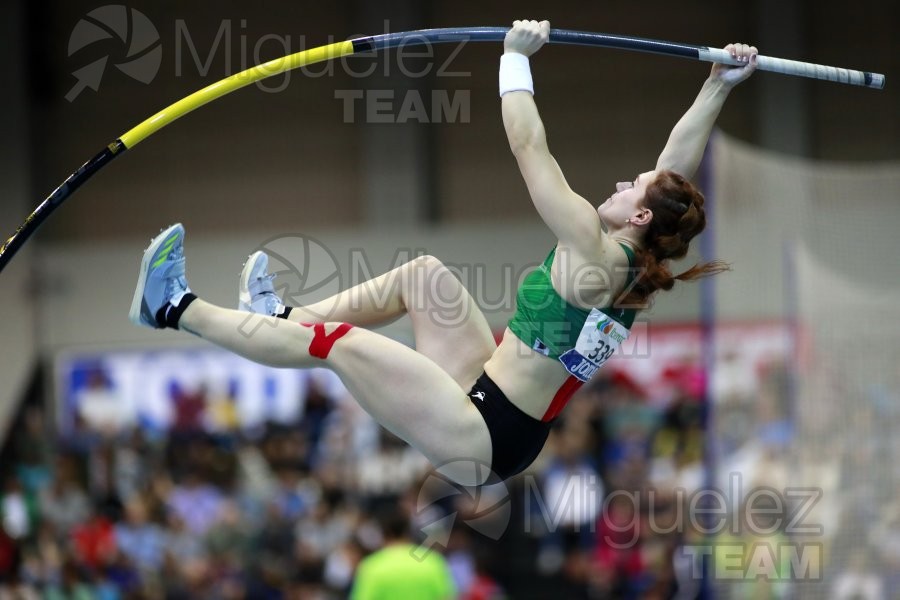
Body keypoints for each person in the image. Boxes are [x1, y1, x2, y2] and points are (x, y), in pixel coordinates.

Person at [129, 20, 757, 486]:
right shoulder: (635, 259)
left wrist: (514, 59)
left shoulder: (594, 253)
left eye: (632, 188)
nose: (622, 184)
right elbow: (674, 164)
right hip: (490, 391)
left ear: (641, 217)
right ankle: (279, 317)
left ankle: (172, 307)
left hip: (482, 437)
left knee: (339, 344)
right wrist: (716, 86)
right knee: (423, 277)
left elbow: (528, 145)